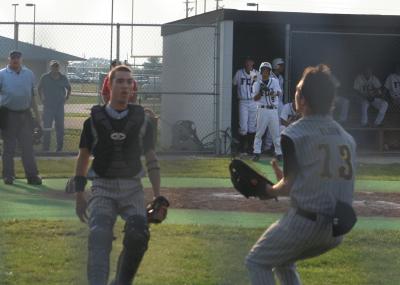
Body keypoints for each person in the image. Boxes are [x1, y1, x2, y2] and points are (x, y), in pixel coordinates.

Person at [245, 64, 356, 285]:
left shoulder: (294, 133)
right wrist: (285, 183)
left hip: (306, 223)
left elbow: (287, 187)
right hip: (337, 228)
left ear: (303, 100)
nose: (295, 94)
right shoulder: (346, 137)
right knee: (283, 260)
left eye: (297, 90)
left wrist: (267, 190)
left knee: (256, 261)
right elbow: (317, 180)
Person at [72, 65, 162, 285]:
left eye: (128, 82)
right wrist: (79, 193)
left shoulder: (143, 121)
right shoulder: (93, 120)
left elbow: (151, 158)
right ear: (109, 86)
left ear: (133, 88)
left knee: (138, 235)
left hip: (132, 188)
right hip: (103, 187)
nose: (124, 86)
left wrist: (158, 196)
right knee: (99, 235)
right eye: (119, 81)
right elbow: (83, 158)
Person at [0, 50, 42, 185]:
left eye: (17, 58)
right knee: (9, 147)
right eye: (13, 58)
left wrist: (38, 116)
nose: (15, 60)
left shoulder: (29, 74)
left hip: (25, 115)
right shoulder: (2, 74)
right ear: (9, 59)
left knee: (27, 147)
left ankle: (32, 176)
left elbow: (33, 97)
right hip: (8, 114)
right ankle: (8, 176)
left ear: (21, 59)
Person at [37, 60, 71, 152]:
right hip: (48, 106)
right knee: (47, 127)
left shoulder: (63, 78)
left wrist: (66, 98)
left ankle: (59, 149)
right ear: (50, 67)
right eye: (53, 66)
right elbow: (39, 88)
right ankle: (46, 148)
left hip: (59, 106)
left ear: (58, 68)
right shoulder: (45, 77)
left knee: (60, 127)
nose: (55, 68)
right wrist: (42, 98)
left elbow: (69, 88)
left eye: (56, 66)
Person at [252, 62, 282, 162]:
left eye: (267, 70)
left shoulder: (274, 81)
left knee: (275, 134)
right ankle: (256, 153)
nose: (265, 72)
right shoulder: (257, 83)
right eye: (264, 70)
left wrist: (270, 91)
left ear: (270, 72)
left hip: (273, 110)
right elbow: (255, 99)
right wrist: (261, 92)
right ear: (261, 71)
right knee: (259, 132)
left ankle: (279, 153)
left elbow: (279, 93)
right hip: (262, 109)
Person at [233, 57, 259, 154]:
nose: (249, 63)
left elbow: (261, 87)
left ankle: (250, 148)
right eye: (247, 61)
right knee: (243, 126)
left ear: (253, 62)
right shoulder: (239, 73)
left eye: (250, 61)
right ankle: (241, 148)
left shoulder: (256, 73)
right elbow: (233, 84)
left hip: (253, 101)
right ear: (245, 63)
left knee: (252, 125)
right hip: (243, 101)